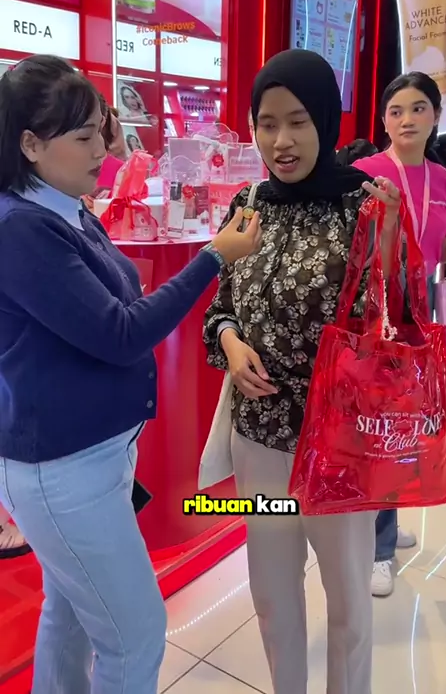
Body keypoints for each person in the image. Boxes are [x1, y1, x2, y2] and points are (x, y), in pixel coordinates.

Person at [0, 54, 262, 694]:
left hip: (91, 458)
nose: (102, 150)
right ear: (30, 144)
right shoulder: (23, 229)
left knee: (70, 614)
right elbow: (120, 333)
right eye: (83, 136)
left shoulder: (65, 207)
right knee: (136, 633)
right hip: (63, 471)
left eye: (102, 131)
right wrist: (212, 258)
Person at [204, 49, 402, 694]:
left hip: (339, 445)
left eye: (297, 122)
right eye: (267, 123)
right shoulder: (248, 203)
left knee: (347, 600)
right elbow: (220, 306)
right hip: (260, 438)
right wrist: (231, 343)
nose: (280, 141)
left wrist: (394, 248)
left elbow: (395, 327)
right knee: (271, 592)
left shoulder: (365, 207)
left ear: (325, 120)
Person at [352, 71, 446, 598]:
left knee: (406, 426)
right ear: (383, 121)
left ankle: (388, 519)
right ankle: (377, 547)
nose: (407, 119)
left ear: (436, 116)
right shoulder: (366, 172)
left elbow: (436, 246)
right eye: (396, 111)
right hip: (377, 318)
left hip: (421, 317)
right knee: (381, 429)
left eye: (419, 108)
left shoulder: (443, 180)